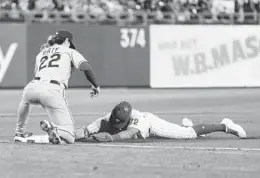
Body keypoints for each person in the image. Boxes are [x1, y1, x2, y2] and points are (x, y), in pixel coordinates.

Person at [14, 29, 101, 144]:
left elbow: (38, 72)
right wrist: (95, 85)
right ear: (66, 40)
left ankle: (20, 131)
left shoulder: (41, 53)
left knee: (25, 100)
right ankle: (54, 128)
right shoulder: (69, 51)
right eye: (69, 43)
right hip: (52, 90)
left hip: (32, 87)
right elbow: (86, 67)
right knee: (69, 135)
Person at [74, 101, 247, 142]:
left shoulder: (138, 119)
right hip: (142, 127)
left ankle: (225, 125)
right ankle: (185, 124)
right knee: (184, 129)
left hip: (152, 125)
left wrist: (107, 137)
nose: (114, 123)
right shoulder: (107, 118)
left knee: (188, 135)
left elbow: (126, 134)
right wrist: (68, 136)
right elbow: (85, 130)